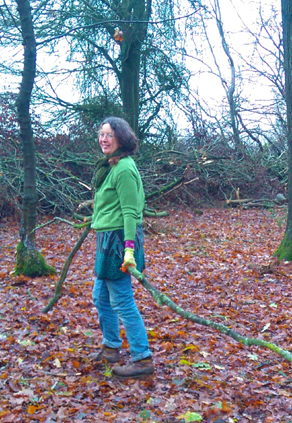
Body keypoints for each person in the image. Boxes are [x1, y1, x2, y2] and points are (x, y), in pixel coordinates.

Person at [90, 116, 154, 379]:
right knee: (100, 297)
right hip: (107, 239)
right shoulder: (110, 166)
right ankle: (111, 347)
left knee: (122, 301)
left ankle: (142, 359)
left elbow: (130, 212)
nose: (104, 139)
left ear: (121, 139)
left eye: (109, 135)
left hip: (119, 242)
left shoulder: (124, 168)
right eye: (101, 134)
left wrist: (129, 249)